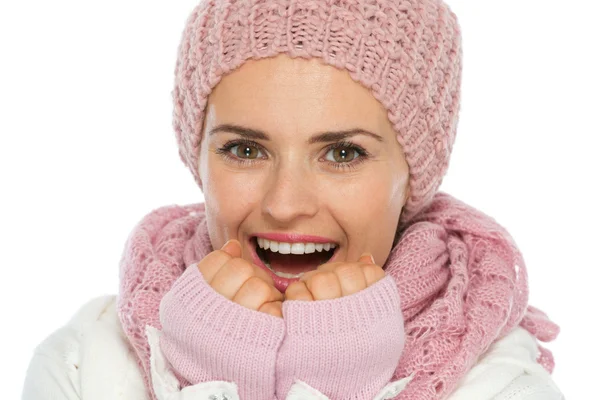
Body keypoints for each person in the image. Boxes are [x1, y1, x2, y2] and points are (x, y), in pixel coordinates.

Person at [22, 0, 564, 399]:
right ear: (198, 158)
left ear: (414, 174)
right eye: (244, 148)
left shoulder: (504, 385)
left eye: (344, 154)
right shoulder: (80, 366)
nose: (285, 203)